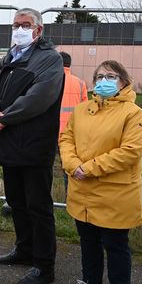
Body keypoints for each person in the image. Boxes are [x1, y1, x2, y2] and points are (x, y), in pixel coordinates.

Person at [0, 8, 64, 284]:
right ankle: (25, 250)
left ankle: (44, 265)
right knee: (16, 202)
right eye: (16, 25)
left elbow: (38, 98)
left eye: (25, 25)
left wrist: (4, 118)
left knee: (38, 206)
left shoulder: (50, 59)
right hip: (10, 144)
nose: (19, 29)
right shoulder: (10, 56)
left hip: (34, 144)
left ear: (38, 30)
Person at [59, 60, 142, 284]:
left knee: (115, 245)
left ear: (124, 81)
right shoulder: (82, 109)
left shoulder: (134, 114)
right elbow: (66, 138)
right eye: (99, 77)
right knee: (88, 240)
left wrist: (88, 168)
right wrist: (72, 165)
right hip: (82, 189)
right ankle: (90, 282)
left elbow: (130, 152)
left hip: (114, 192)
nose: (103, 81)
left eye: (110, 76)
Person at [59, 51, 88, 189]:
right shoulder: (80, 83)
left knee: (44, 167)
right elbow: (85, 109)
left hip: (51, 131)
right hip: (72, 133)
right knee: (69, 168)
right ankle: (69, 197)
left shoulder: (50, 80)